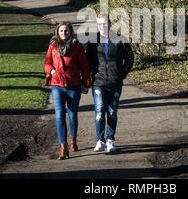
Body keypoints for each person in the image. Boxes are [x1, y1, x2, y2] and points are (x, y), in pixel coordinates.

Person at [86, 13, 134, 152]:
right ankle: (100, 140)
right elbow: (87, 61)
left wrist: (122, 73)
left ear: (109, 23)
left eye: (104, 23)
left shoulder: (120, 39)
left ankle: (110, 140)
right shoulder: (93, 41)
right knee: (100, 111)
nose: (102, 26)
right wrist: (88, 78)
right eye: (99, 24)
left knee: (112, 112)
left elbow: (130, 58)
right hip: (98, 82)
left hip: (115, 82)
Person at [44, 21, 91, 160]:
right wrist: (51, 71)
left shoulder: (77, 47)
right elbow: (47, 62)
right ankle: (63, 147)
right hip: (57, 86)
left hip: (73, 86)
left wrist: (86, 83)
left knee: (72, 115)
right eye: (61, 31)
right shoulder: (52, 46)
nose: (64, 33)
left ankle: (73, 140)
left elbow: (84, 66)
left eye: (66, 31)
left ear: (70, 31)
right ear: (57, 32)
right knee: (59, 115)